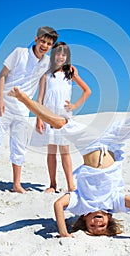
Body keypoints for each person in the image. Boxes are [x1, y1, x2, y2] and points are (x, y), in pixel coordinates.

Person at [8, 66, 130, 239]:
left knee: (59, 124)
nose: (97, 224)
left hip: (87, 144)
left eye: (92, 227)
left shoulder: (80, 204)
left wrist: (64, 233)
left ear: (84, 220)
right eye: (102, 227)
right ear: (109, 221)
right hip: (113, 142)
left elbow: (58, 205)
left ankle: (24, 99)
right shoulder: (114, 203)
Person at [0, 26, 59, 194]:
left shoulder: (46, 62)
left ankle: (16, 184)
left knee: (19, 146)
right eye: (42, 41)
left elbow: (42, 89)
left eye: (49, 43)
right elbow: (2, 75)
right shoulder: (19, 52)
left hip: (23, 109)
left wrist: (39, 115)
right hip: (4, 105)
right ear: (36, 39)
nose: (44, 45)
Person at [30, 42, 91, 193]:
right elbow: (40, 99)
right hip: (48, 117)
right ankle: (52, 184)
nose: (60, 57)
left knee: (65, 151)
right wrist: (39, 118)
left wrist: (75, 106)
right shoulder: (46, 74)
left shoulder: (70, 73)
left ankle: (71, 185)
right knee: (51, 152)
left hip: (63, 118)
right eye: (58, 53)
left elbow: (87, 90)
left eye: (64, 55)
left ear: (67, 57)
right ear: (53, 55)